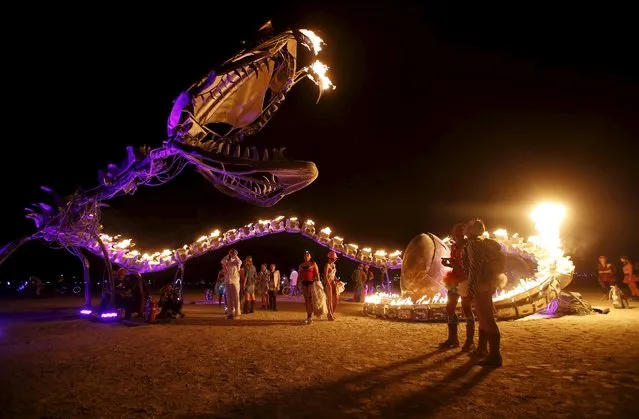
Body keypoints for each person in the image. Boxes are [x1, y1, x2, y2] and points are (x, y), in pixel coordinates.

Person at [463, 219, 503, 367]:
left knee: (487, 318)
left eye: (467, 226)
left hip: (481, 285)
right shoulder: (477, 242)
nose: (464, 228)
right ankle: (482, 349)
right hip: (484, 284)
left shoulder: (474, 243)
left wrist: (471, 289)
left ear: (473, 229)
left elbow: (475, 267)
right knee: (482, 316)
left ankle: (495, 355)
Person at [440, 223, 475, 351]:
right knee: (450, 307)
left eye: (459, 230)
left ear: (463, 232)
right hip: (454, 278)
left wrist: (458, 265)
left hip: (465, 278)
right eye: (454, 231)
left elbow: (470, 263)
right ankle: (453, 338)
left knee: (466, 308)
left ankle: (469, 341)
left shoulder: (469, 244)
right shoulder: (453, 246)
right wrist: (448, 263)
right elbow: (456, 263)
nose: (456, 233)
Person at [299, 250, 320, 324]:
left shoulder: (313, 264)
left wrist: (319, 283)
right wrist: (296, 284)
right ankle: (308, 317)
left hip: (311, 283)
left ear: (310, 256)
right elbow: (299, 275)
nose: (306, 257)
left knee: (310, 300)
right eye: (305, 255)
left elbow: (317, 274)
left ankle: (310, 317)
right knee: (306, 301)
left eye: (307, 255)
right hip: (304, 283)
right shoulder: (301, 265)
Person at [222, 249, 242, 319]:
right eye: (231, 253)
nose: (232, 254)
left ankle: (237, 313)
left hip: (235, 281)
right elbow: (222, 261)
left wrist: (235, 255)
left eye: (233, 253)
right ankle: (230, 313)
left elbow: (239, 262)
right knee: (229, 298)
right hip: (227, 281)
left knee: (236, 298)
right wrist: (229, 254)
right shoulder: (227, 262)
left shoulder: (236, 262)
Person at [324, 251, 339, 321]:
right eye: (333, 258)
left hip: (333, 282)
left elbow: (333, 274)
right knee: (329, 300)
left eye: (334, 258)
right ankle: (330, 314)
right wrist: (328, 284)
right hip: (329, 282)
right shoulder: (327, 265)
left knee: (336, 298)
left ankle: (331, 313)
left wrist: (336, 279)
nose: (334, 260)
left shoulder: (333, 265)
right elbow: (325, 276)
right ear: (330, 258)